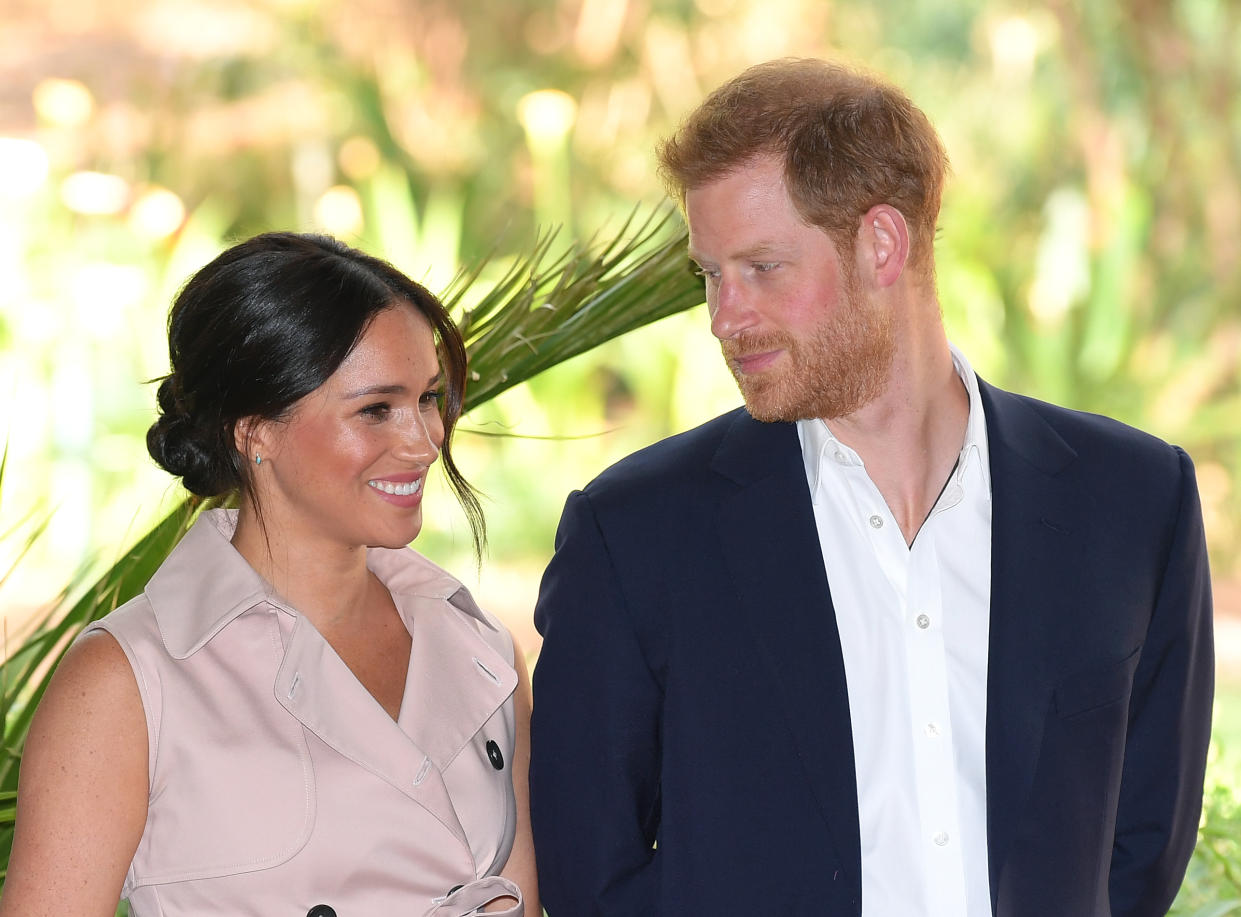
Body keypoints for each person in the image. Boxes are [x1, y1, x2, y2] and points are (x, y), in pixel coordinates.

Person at [528, 58, 1213, 917]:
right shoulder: (631, 533)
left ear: (881, 244)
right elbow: (591, 875)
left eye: (762, 268)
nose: (722, 317)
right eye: (710, 275)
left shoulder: (1132, 501)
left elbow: (1139, 844)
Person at [1, 232, 538, 917]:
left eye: (428, 398)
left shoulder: (480, 649)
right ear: (254, 431)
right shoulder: (128, 680)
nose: (424, 440)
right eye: (376, 408)